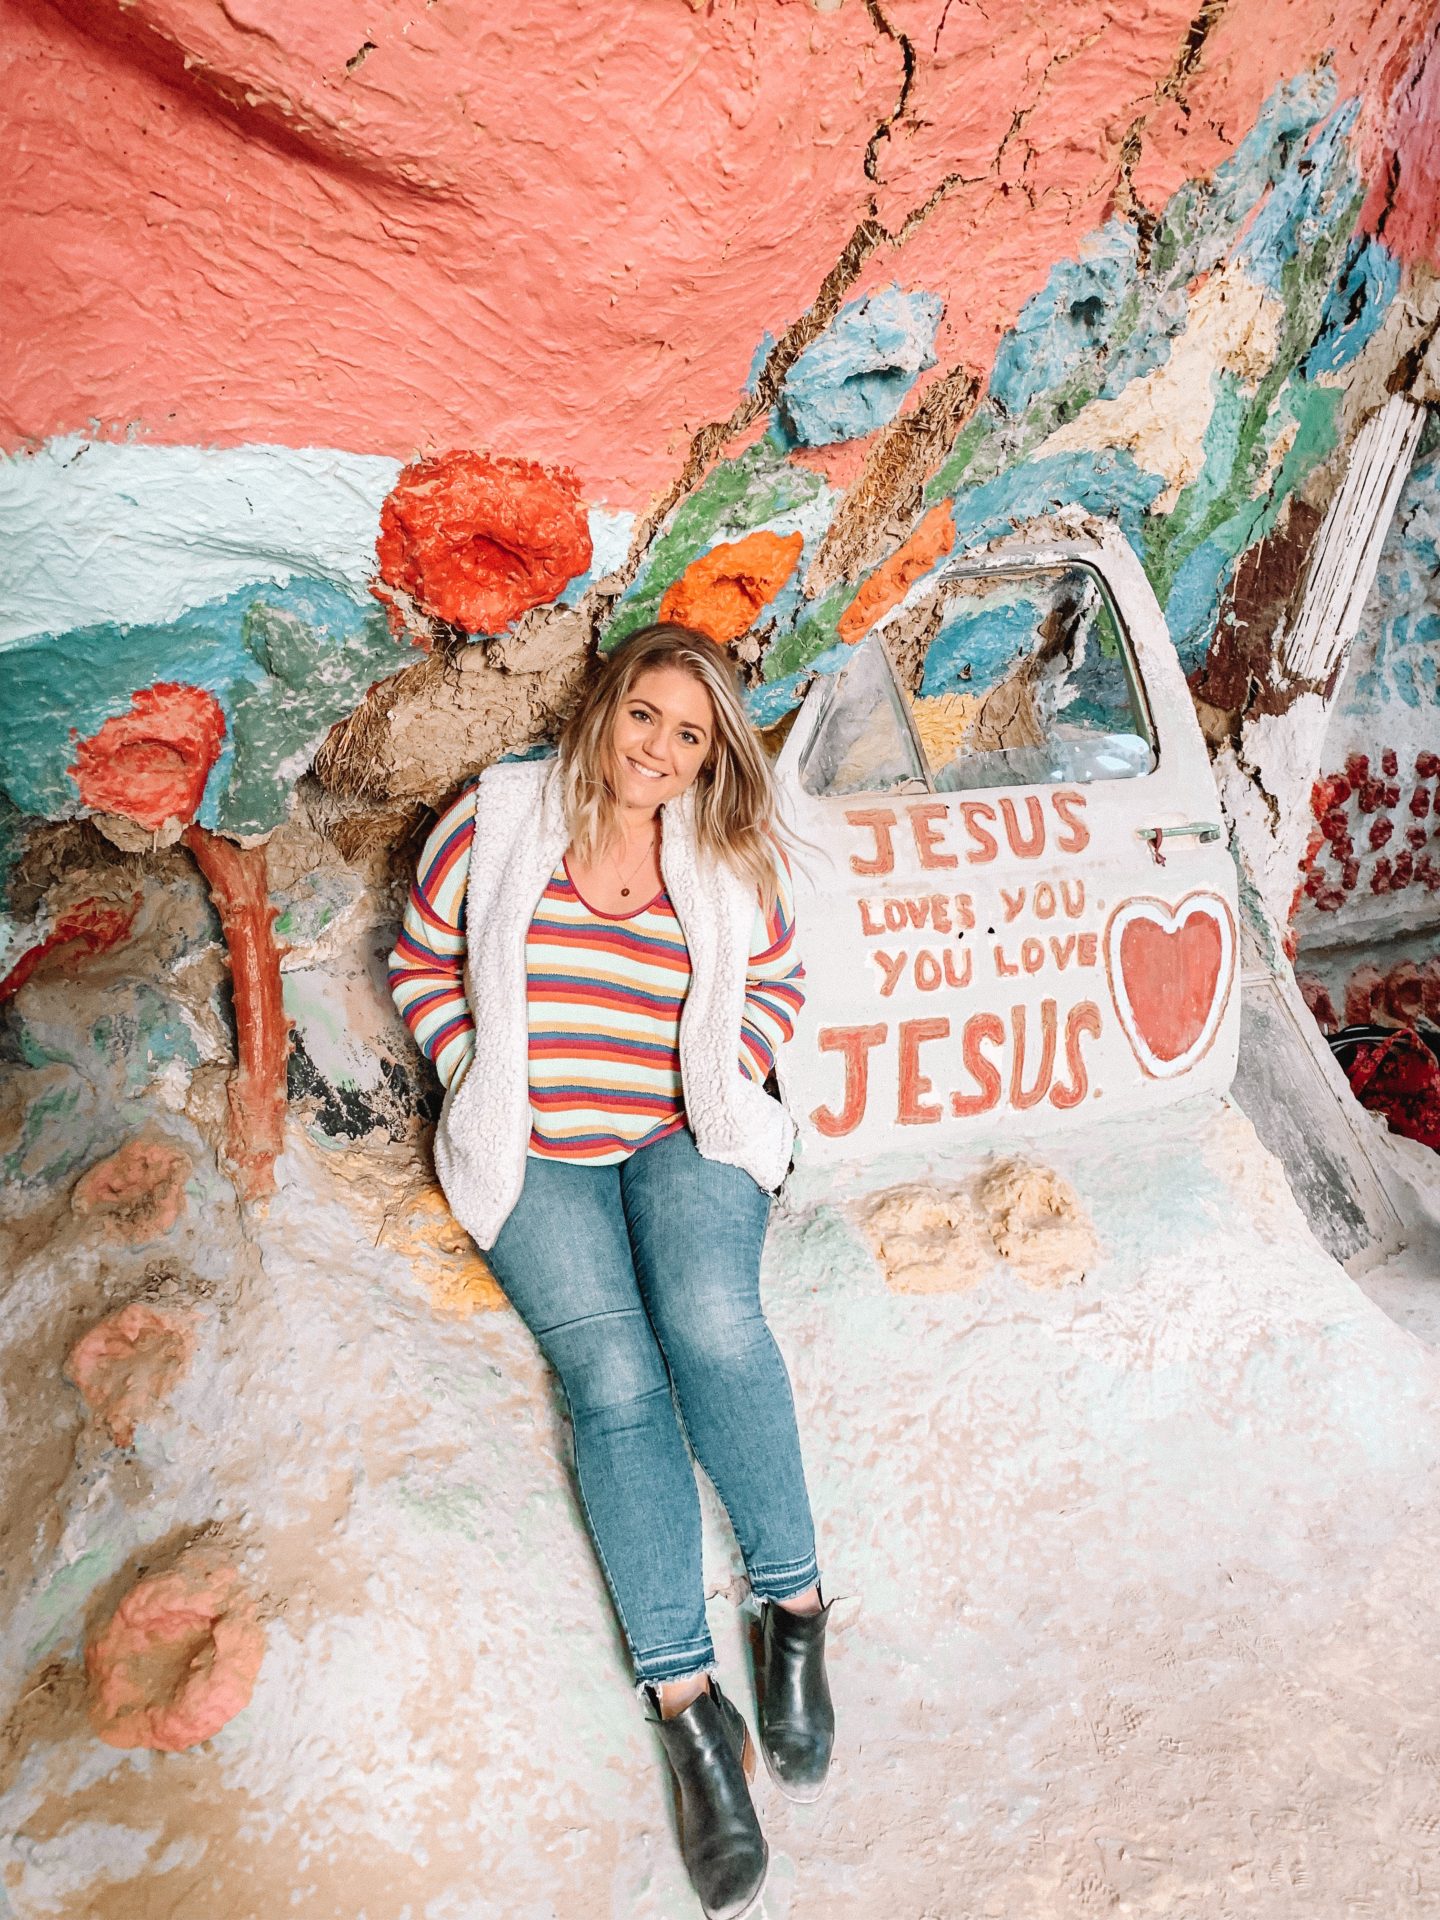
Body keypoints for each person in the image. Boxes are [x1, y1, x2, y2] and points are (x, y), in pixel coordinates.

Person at [388, 622, 834, 1920]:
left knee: (710, 1321)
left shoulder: (721, 846)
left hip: (680, 1133)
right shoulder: (502, 815)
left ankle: (795, 1611)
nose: (660, 750)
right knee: (615, 1380)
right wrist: (476, 1077)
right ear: (606, 706)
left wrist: (730, 1072)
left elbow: (783, 977)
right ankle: (691, 1712)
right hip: (538, 1156)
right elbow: (424, 961)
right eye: (646, 716)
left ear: (711, 757)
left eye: (690, 736)